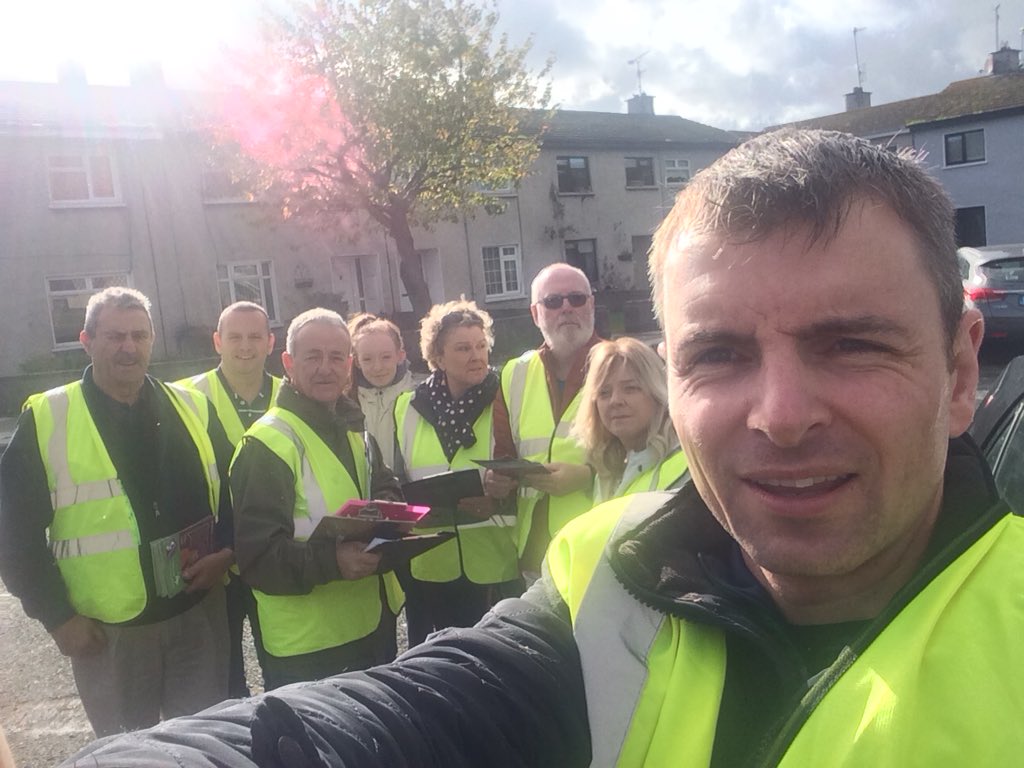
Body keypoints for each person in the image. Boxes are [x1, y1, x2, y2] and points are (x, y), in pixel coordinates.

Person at [62, 129, 1024, 767]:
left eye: (849, 343)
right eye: (719, 355)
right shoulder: (617, 570)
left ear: (956, 371)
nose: (779, 413)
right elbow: (395, 716)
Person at [0, 287, 234, 738]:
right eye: (114, 336)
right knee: (127, 753)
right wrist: (57, 617)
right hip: (110, 633)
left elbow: (231, 491)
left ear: (152, 339)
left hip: (198, 615)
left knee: (207, 745)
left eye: (139, 335)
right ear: (87, 341)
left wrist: (227, 550)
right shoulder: (50, 416)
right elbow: (12, 532)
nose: (129, 347)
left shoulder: (192, 405)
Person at [228, 308, 404, 690]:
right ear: (288, 363)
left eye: (336, 357)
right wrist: (333, 560)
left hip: (370, 627)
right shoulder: (267, 444)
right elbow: (256, 559)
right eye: (313, 357)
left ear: (349, 365)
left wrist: (390, 510)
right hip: (308, 650)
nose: (326, 368)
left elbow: (385, 486)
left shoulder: (352, 426)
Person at [394, 299, 520, 645]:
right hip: (429, 565)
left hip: (493, 563)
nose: (476, 355)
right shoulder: (406, 406)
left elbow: (524, 473)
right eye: (463, 348)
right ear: (437, 356)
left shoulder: (506, 398)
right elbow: (397, 478)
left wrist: (501, 497)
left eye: (481, 346)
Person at [177, 301, 281, 697]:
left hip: (276, 551)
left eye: (255, 336)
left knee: (281, 662)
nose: (245, 346)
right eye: (234, 337)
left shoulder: (291, 394)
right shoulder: (185, 397)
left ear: (271, 343)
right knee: (223, 676)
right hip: (216, 561)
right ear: (218, 341)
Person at [490, 263, 601, 578]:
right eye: (553, 302)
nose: (566, 308)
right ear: (535, 314)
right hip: (535, 552)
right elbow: (504, 456)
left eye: (577, 299)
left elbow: (651, 458)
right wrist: (497, 481)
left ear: (591, 305)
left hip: (599, 545)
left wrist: (587, 476)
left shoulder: (622, 364)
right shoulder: (515, 373)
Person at [572, 337, 687, 503]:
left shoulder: (687, 465)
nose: (615, 401)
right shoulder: (607, 471)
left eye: (630, 388)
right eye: (604, 393)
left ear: (657, 394)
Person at [347, 313, 413, 470]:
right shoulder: (346, 404)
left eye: (386, 357)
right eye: (367, 359)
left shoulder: (418, 400)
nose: (377, 367)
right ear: (356, 361)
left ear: (400, 356)